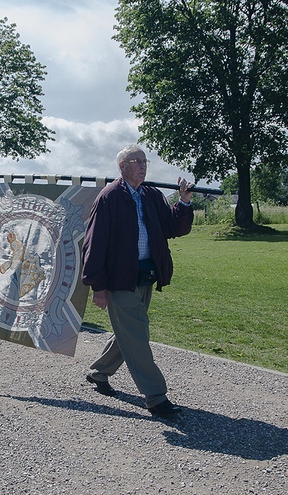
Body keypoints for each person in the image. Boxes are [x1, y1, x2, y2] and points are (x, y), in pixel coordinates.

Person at [81, 145, 195, 419]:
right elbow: (93, 243)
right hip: (119, 280)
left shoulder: (152, 195)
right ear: (122, 167)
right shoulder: (109, 197)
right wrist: (98, 286)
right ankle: (156, 397)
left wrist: (184, 202)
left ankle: (98, 373)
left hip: (145, 277)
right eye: (136, 161)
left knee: (129, 334)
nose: (143, 166)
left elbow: (173, 228)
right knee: (138, 335)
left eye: (144, 161)